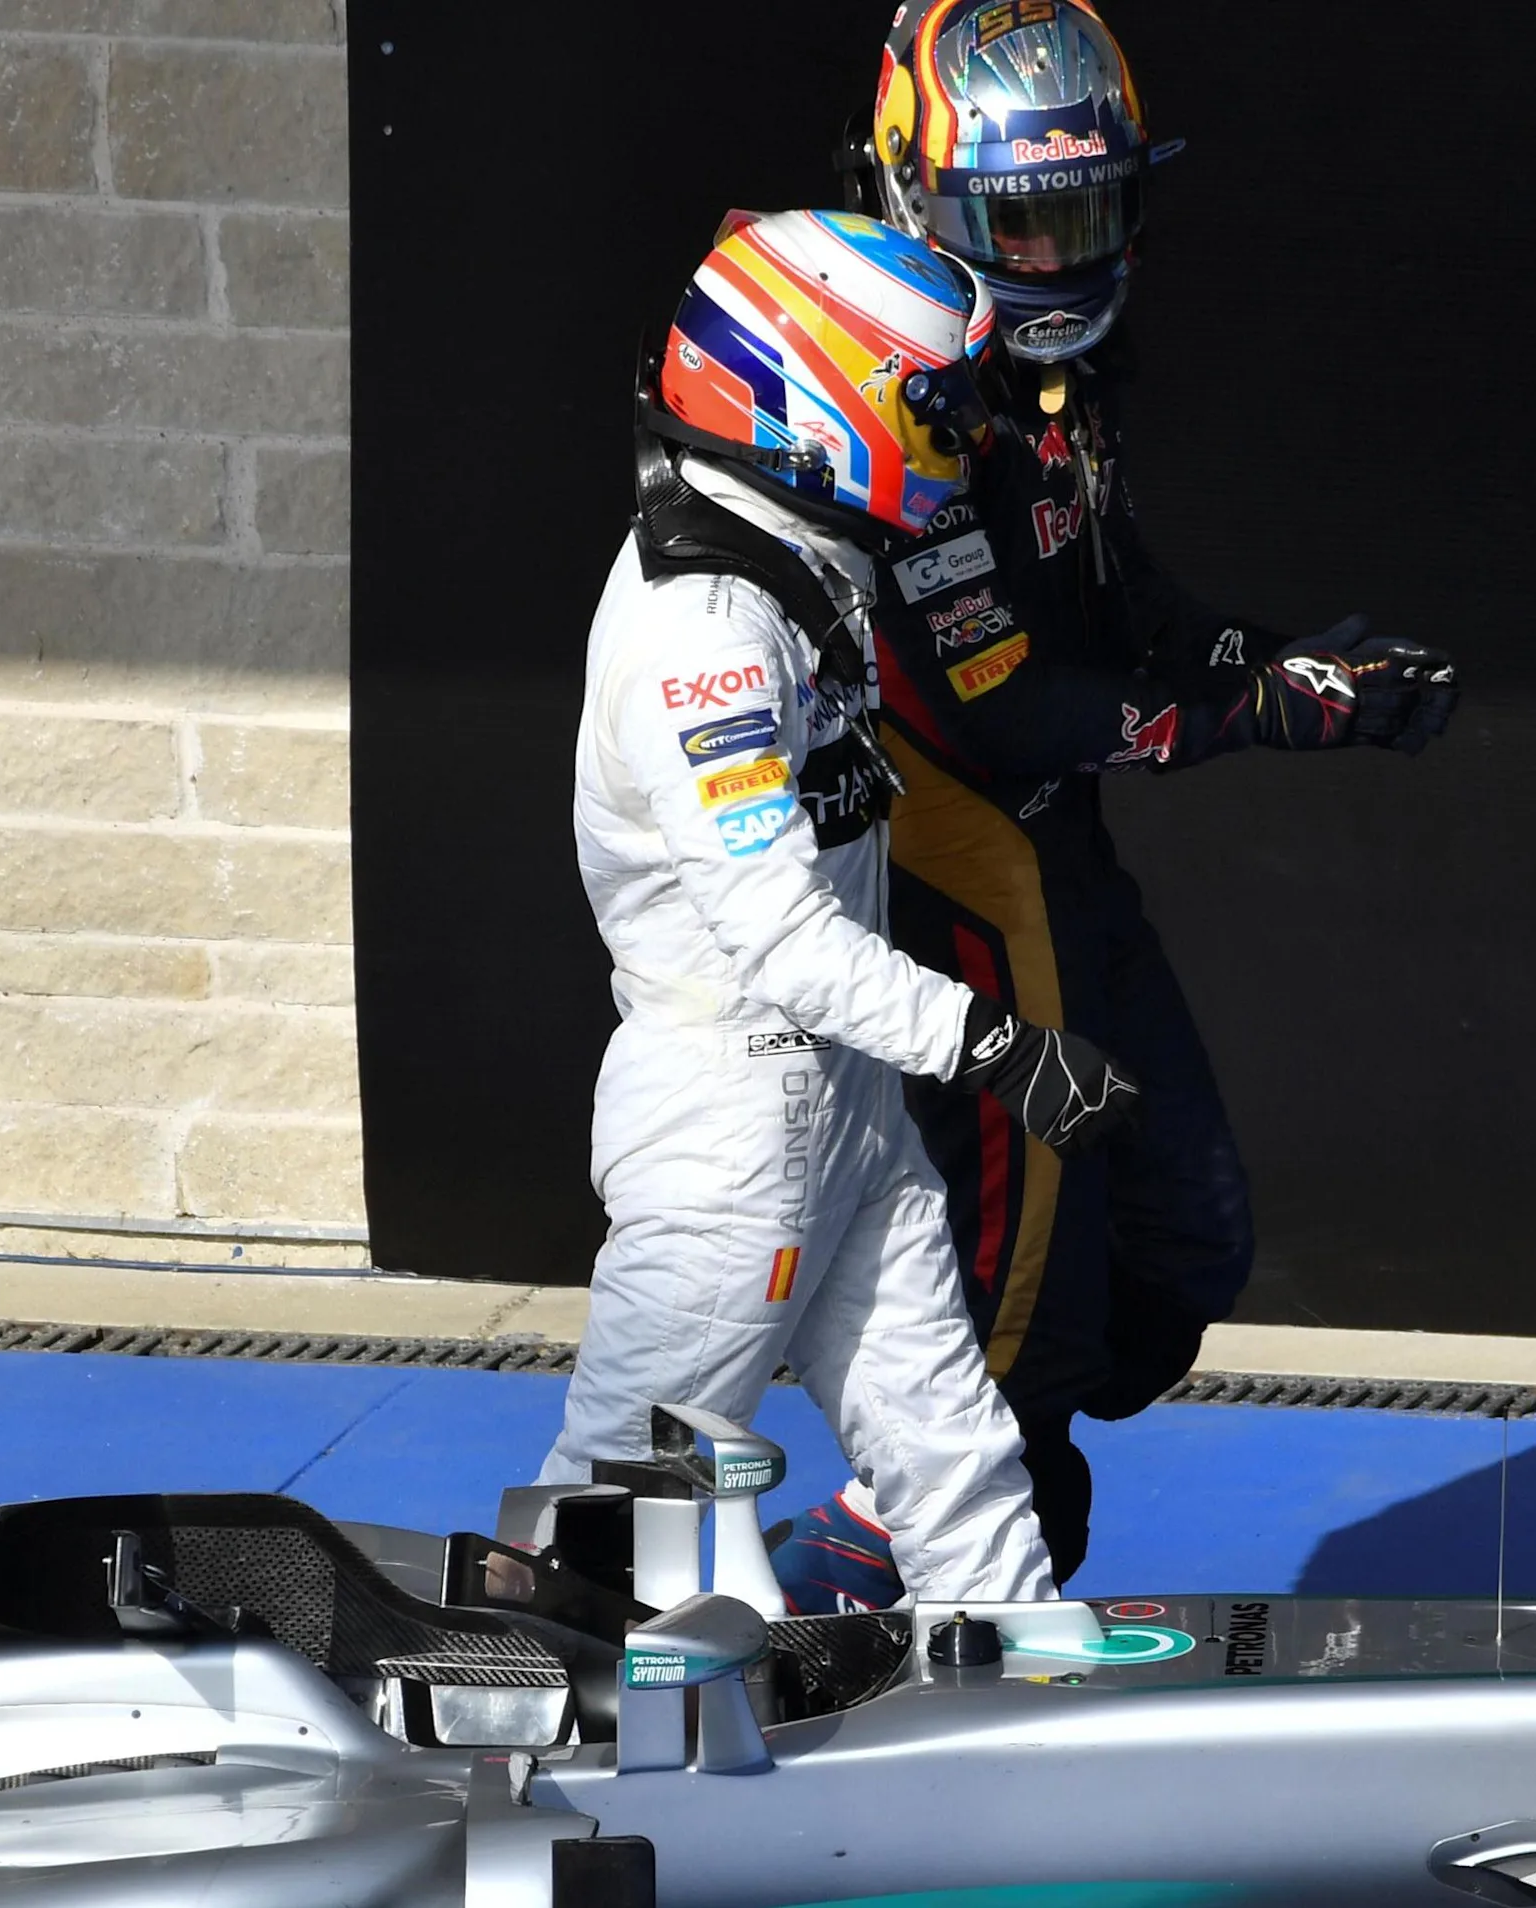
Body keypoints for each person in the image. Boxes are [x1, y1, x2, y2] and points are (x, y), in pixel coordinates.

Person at [773, 0, 1462, 1607]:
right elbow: (1000, 699)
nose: (1062, 258)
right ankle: (849, 1594)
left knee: (1183, 1244)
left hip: (1057, 859)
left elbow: (1119, 598)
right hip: (953, 897)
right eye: (1024, 220)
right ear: (914, 194)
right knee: (1023, 1314)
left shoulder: (1064, 374)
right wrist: (1265, 711)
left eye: (1089, 211)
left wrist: (1280, 668)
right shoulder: (893, 393)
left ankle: (989, 1497)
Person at [544, 205, 1147, 1607]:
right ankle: (529, 1773)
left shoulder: (794, 548)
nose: (969, 436)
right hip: (727, 1127)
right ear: (818, 401)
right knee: (615, 1525)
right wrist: (1011, 1055)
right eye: (938, 406)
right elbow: (784, 943)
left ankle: (1018, 1674)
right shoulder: (703, 639)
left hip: (842, 1110)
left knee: (954, 1457)